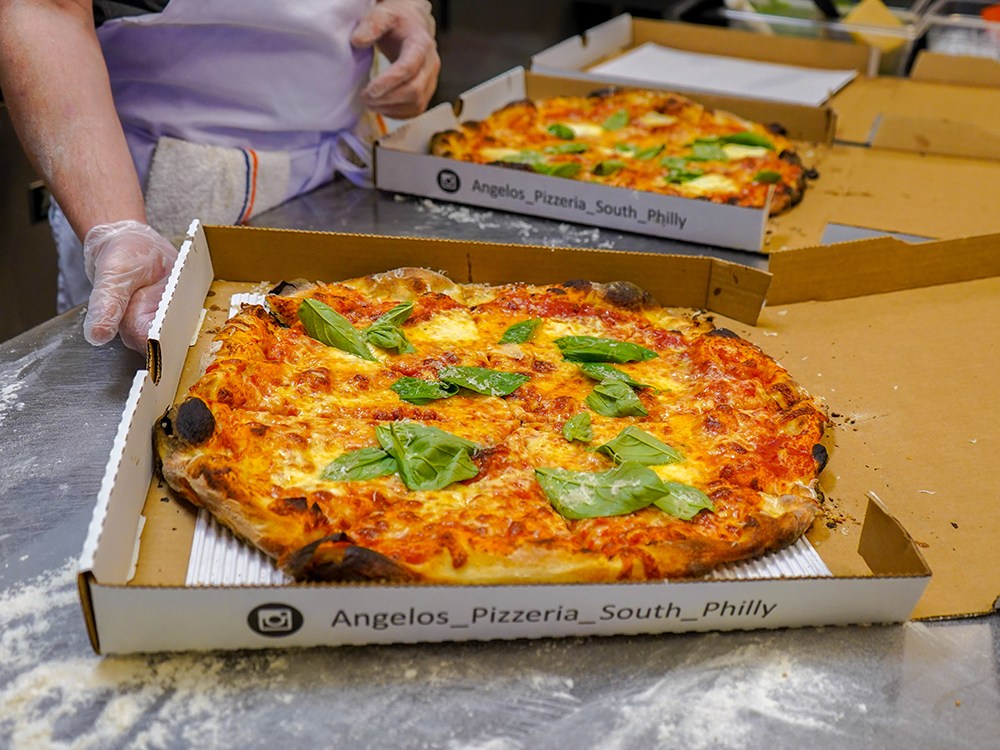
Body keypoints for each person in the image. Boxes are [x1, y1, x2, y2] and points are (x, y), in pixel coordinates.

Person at [0, 0, 440, 352]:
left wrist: (406, 8)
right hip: (173, 196)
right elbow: (43, 8)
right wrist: (118, 227)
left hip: (347, 164)